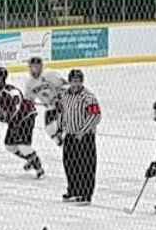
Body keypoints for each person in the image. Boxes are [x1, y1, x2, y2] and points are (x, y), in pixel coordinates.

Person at [56, 69, 103, 203]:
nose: (76, 84)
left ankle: (85, 194)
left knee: (86, 165)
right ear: (69, 82)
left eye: (78, 81)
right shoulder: (65, 95)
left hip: (85, 137)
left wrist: (83, 131)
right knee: (69, 164)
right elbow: (61, 112)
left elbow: (95, 115)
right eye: (73, 81)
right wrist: (60, 127)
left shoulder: (88, 97)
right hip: (70, 135)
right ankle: (73, 190)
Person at [0, 67, 43, 177]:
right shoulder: (2, 93)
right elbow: (7, 112)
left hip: (25, 117)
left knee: (22, 144)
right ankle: (30, 159)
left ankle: (38, 167)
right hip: (17, 120)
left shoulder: (8, 92)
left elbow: (14, 109)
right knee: (10, 145)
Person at [24, 56, 68, 144]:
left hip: (62, 104)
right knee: (50, 129)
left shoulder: (49, 74)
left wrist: (59, 98)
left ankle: (68, 140)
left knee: (63, 127)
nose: (34, 69)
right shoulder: (29, 83)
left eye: (36, 66)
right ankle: (63, 145)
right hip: (50, 107)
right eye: (32, 66)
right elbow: (29, 99)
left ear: (41, 66)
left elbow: (66, 86)